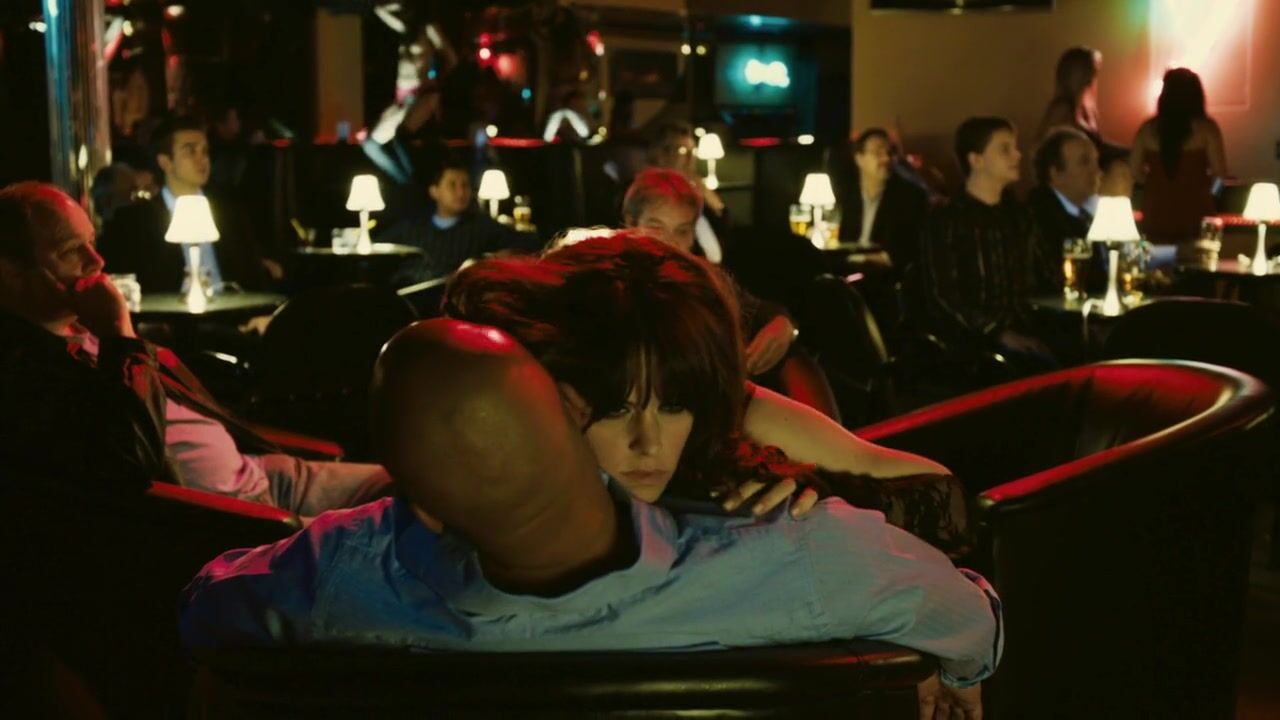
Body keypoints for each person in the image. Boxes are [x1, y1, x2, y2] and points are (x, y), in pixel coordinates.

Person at [181, 242, 1002, 718]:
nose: (647, 440)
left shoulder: (347, 571)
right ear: (551, 401)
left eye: (675, 405)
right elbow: (968, 614)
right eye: (613, 408)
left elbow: (203, 611)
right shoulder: (801, 559)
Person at [0, 182, 392, 516]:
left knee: (415, 480)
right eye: (71, 250)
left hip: (262, 474)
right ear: (11, 271)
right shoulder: (25, 370)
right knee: (394, 529)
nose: (97, 260)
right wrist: (120, 335)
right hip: (230, 521)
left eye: (91, 241)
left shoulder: (83, 327)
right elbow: (129, 463)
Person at [621, 168, 798, 378]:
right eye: (656, 229)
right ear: (631, 224)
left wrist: (783, 325)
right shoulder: (612, 283)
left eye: (682, 231)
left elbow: (760, 310)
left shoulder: (703, 279)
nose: (671, 243)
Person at [917, 117, 1053, 370]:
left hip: (1029, 329)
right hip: (973, 344)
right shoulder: (948, 220)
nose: (1017, 155)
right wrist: (997, 332)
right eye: (1005, 149)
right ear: (976, 160)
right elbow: (943, 297)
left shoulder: (1020, 215)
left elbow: (1047, 277)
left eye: (1015, 147)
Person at [97, 115, 281, 294]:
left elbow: (251, 276)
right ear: (165, 162)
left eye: (205, 151)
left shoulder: (230, 213)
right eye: (190, 151)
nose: (202, 159)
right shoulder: (136, 222)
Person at [383, 156, 539, 284]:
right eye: (452, 185)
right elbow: (380, 244)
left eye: (465, 185)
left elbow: (529, 243)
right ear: (434, 191)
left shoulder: (481, 226)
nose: (461, 192)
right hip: (405, 291)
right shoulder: (413, 226)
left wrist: (491, 260)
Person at [1129, 67, 1227, 246]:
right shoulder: (1207, 129)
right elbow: (1220, 175)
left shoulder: (1147, 130)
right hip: (1197, 212)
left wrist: (1155, 183)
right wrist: (1211, 196)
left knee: (1157, 259)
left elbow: (1134, 172)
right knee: (1197, 259)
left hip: (1156, 212)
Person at [837, 127, 929, 273]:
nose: (886, 159)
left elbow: (910, 248)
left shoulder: (910, 196)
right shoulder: (845, 193)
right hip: (845, 268)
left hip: (886, 274)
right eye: (878, 153)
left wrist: (870, 259)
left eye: (890, 153)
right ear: (859, 158)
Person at [1028, 126, 1101, 291]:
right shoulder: (1040, 219)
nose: (1096, 170)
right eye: (1084, 162)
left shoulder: (1087, 212)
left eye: (1096, 161)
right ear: (1056, 173)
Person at [647, 122, 729, 263]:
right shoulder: (652, 194)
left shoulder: (696, 189)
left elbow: (723, 225)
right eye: (683, 151)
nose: (690, 158)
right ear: (662, 155)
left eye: (693, 151)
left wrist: (705, 193)